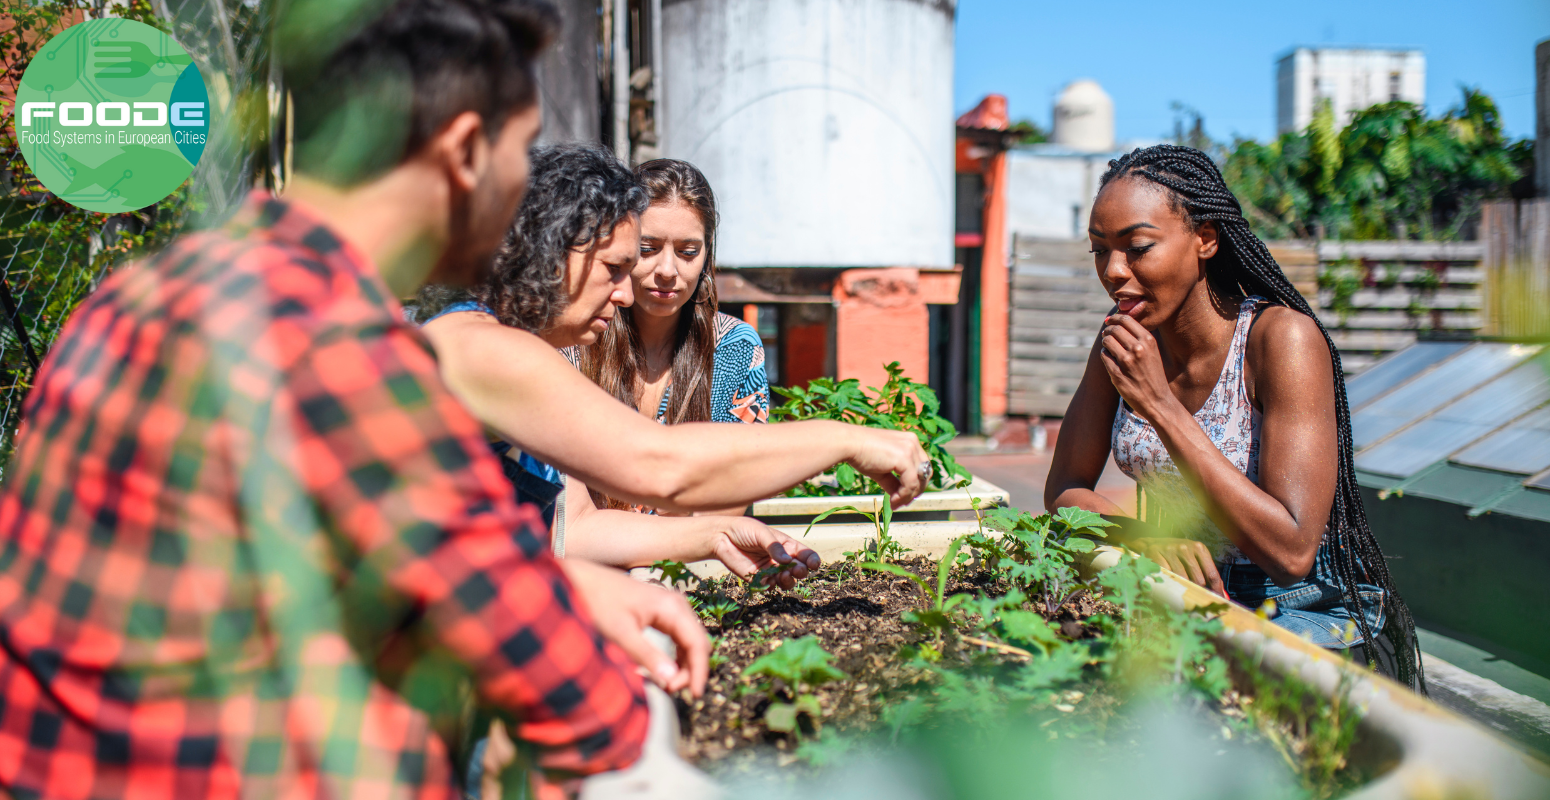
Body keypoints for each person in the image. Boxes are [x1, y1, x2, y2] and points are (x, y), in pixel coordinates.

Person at [0, 2, 713, 798]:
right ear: (464, 151)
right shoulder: (340, 354)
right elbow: (577, 704)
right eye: (521, 151)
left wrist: (564, 587)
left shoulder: (141, 298)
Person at [1044, 144, 1424, 690]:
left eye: (1138, 247)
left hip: (1300, 608)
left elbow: (1290, 551)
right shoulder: (1123, 344)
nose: (1114, 271)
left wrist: (1160, 406)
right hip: (1186, 591)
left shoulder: (1282, 340)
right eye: (1099, 251)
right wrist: (1141, 538)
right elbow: (1064, 492)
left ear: (1205, 239)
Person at [418, 145, 827, 584]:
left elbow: (573, 529)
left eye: (688, 251)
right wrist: (840, 440)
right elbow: (657, 466)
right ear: (549, 250)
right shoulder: (493, 350)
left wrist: (719, 531)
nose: (629, 291)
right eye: (616, 266)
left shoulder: (507, 339)